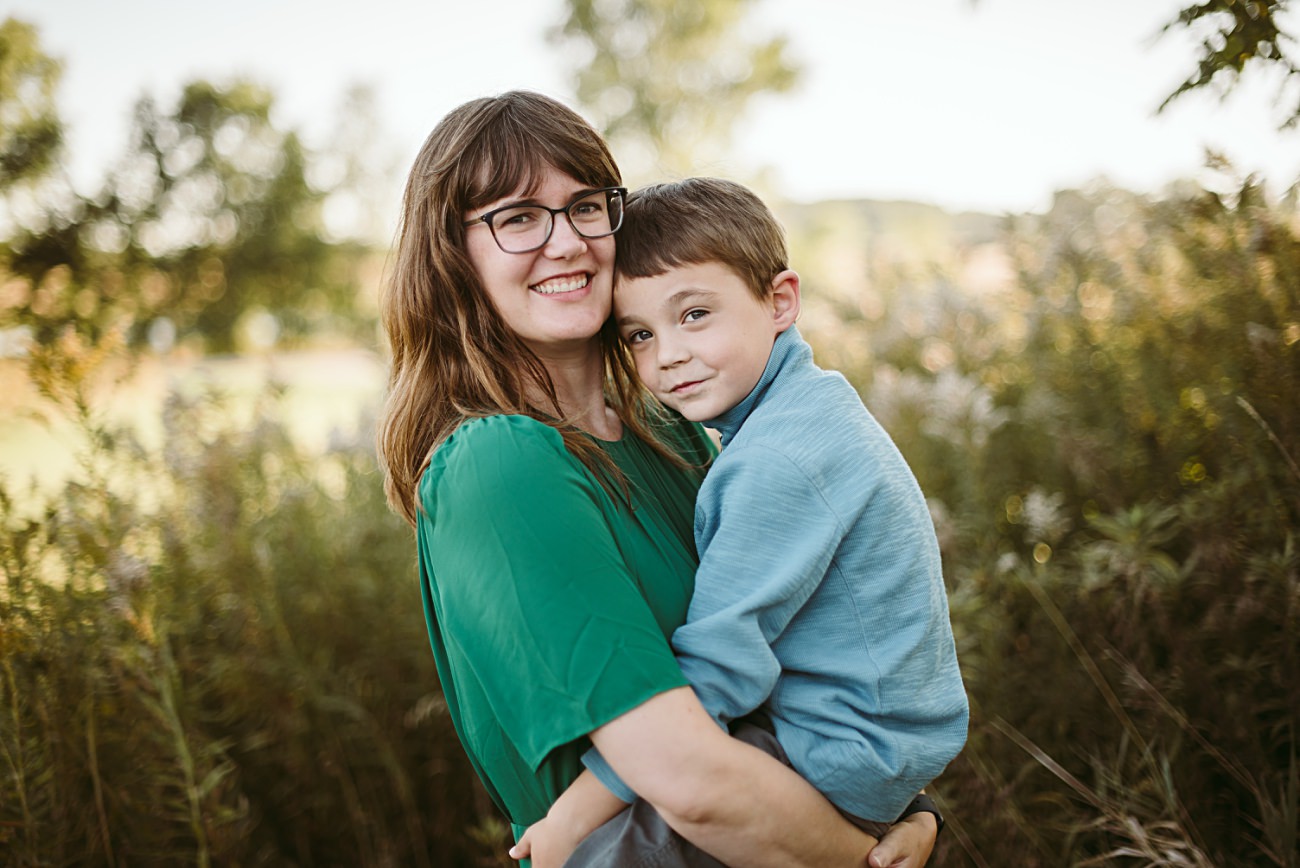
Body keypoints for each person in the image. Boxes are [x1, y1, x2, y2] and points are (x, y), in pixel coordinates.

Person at [375, 90, 939, 868]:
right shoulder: (499, 466)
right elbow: (690, 778)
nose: (565, 242)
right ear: (452, 254)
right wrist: (869, 855)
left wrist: (907, 813)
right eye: (517, 218)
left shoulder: (669, 431)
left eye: (583, 207)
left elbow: (799, 656)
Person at [512, 178, 968, 865]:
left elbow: (719, 671)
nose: (667, 354)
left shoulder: (778, 459)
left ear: (779, 301)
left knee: (607, 854)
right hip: (873, 747)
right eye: (639, 334)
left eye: (694, 314)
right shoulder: (814, 410)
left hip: (830, 753)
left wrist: (570, 818)